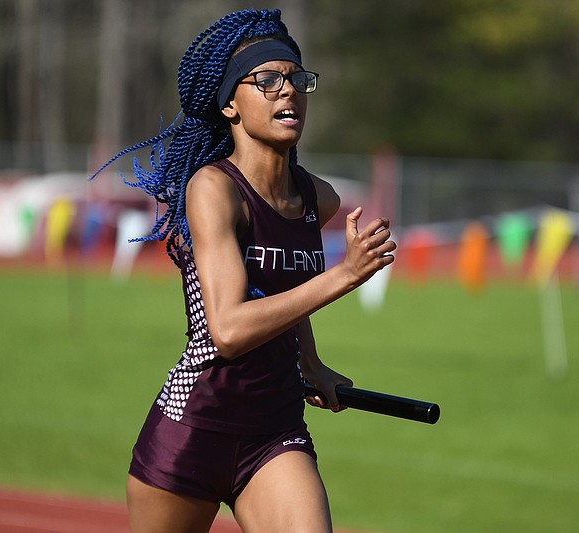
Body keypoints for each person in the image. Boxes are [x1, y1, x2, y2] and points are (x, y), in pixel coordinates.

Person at [93, 9, 396, 532]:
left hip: (274, 430)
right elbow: (229, 330)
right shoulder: (213, 189)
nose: (288, 92)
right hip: (194, 429)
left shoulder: (317, 198)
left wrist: (311, 361)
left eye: (297, 80)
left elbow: (284, 292)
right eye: (268, 81)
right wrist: (345, 275)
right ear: (231, 103)